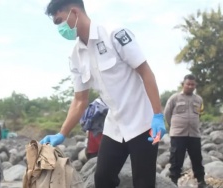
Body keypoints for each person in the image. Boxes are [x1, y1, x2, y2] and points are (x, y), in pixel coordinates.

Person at [40, 0, 166, 187]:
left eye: (59, 21)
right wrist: (62, 133)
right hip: (114, 126)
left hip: (142, 122)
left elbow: (145, 72)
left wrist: (157, 114)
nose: (59, 28)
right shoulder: (76, 56)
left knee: (144, 182)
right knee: (102, 179)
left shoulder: (114, 34)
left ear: (73, 12)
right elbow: (79, 100)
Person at [164, 74, 211, 188]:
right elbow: (167, 113)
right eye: (188, 84)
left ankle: (201, 182)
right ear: (183, 84)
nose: (190, 86)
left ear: (195, 85)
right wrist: (173, 126)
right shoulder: (174, 98)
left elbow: (199, 114)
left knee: (197, 159)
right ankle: (173, 183)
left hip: (194, 134)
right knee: (176, 159)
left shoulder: (199, 99)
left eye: (192, 84)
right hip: (178, 134)